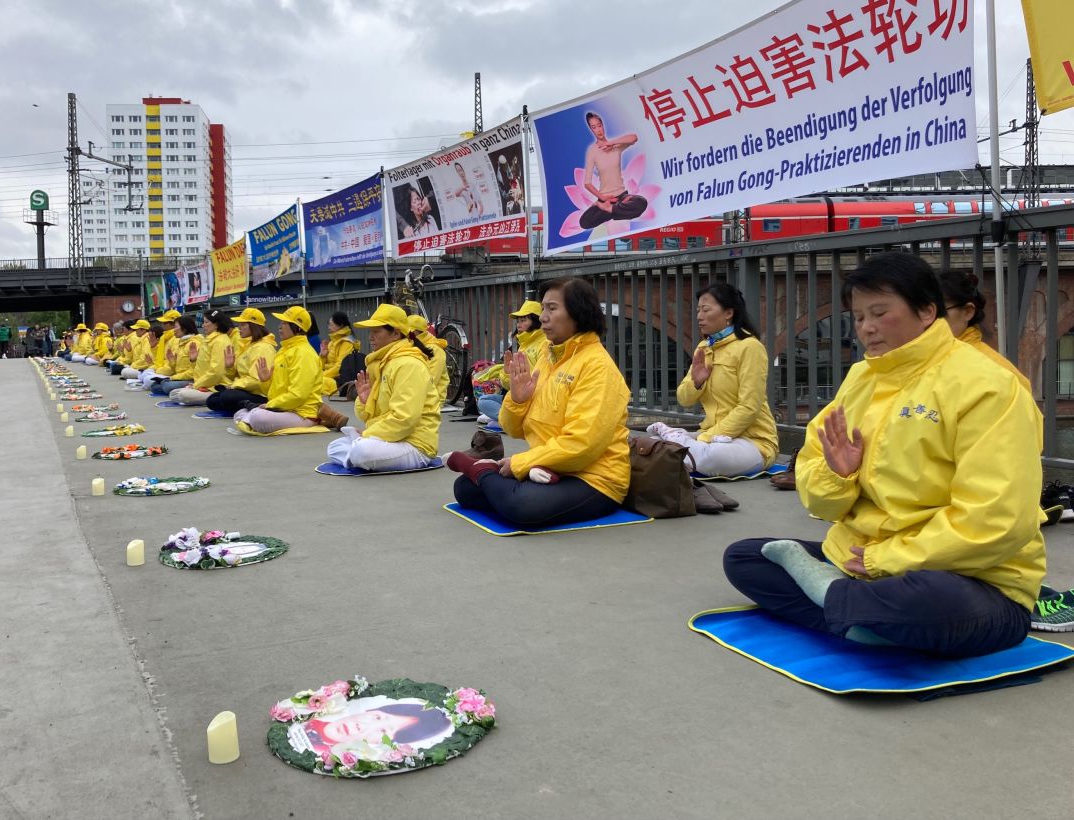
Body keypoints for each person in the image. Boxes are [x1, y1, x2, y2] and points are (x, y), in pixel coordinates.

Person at [722, 252, 1046, 657]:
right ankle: (858, 617)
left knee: (926, 599)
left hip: (969, 578)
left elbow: (997, 518)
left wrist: (885, 559)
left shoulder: (988, 386)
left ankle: (840, 604)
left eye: (879, 312)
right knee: (745, 557)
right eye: (858, 317)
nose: (866, 328)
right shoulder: (862, 378)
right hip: (859, 563)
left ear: (927, 311)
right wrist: (838, 477)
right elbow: (816, 494)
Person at [445, 277, 631, 528]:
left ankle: (482, 470)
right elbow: (513, 429)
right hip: (549, 468)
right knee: (464, 489)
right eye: (543, 308)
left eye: (552, 308)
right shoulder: (547, 357)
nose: (543, 316)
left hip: (594, 478)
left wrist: (519, 464)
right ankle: (488, 474)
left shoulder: (598, 367)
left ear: (578, 313)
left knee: (523, 505)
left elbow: (582, 444)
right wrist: (518, 400)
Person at [646, 283, 778, 478]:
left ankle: (680, 445)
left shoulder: (750, 347)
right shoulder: (704, 347)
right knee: (652, 441)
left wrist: (707, 438)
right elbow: (684, 399)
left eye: (706, 310)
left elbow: (750, 406)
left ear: (728, 313)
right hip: (709, 436)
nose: (699, 316)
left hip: (752, 441)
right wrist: (696, 382)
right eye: (698, 310)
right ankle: (682, 445)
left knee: (715, 457)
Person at [326, 304, 440, 470]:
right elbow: (367, 416)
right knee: (334, 447)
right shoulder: (382, 363)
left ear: (395, 333)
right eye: (370, 332)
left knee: (361, 451)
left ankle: (357, 456)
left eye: (376, 332)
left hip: (414, 445)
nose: (371, 337)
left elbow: (405, 419)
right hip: (390, 439)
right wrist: (364, 401)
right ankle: (356, 457)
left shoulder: (408, 364)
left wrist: (367, 434)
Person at [234, 306, 325, 434]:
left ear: (298, 328)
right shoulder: (283, 351)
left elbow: (298, 395)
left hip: (301, 413)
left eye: (285, 323)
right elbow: (273, 392)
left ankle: (313, 422)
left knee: (257, 417)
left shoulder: (304, 353)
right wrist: (265, 381)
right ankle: (252, 418)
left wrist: (270, 405)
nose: (280, 326)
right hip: (283, 409)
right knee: (240, 413)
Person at [476, 300, 548, 424]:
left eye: (523, 320)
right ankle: (508, 420)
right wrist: (507, 373)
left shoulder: (544, 343)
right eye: (518, 321)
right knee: (483, 401)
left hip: (533, 398)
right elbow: (508, 386)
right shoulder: (523, 344)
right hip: (518, 396)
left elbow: (542, 379)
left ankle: (509, 421)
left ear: (536, 321)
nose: (519, 325)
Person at [296, 701, 452, 757]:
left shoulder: (324, 753)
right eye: (378, 717)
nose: (362, 725)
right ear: (372, 710)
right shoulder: (320, 709)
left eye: (383, 731)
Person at [579, 112, 647, 230]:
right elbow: (587, 183)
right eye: (594, 127)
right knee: (584, 222)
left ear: (603, 125)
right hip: (604, 199)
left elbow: (634, 138)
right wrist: (602, 198)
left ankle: (610, 211)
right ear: (591, 129)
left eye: (599, 125)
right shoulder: (592, 151)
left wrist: (611, 143)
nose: (598, 130)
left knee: (641, 202)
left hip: (622, 197)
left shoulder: (616, 147)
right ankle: (616, 211)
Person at [205, 308, 280, 415]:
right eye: (239, 325)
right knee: (212, 400)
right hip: (246, 390)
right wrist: (230, 366)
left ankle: (258, 406)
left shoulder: (263, 348)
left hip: (261, 394)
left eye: (243, 325)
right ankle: (246, 407)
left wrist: (234, 385)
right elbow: (233, 375)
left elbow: (257, 381)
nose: (239, 328)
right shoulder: (247, 346)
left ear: (254, 326)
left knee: (227, 397)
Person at [171, 310, 233, 404]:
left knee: (181, 395)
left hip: (213, 386)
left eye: (206, 322)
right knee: (174, 393)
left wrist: (197, 385)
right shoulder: (209, 339)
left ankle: (215, 397)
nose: (203, 325)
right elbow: (200, 368)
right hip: (202, 384)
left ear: (216, 325)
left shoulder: (220, 342)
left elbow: (216, 372)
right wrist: (193, 360)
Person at [406, 315, 449, 405]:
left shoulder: (435, 349)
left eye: (409, 332)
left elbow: (432, 379)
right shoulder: (412, 344)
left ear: (417, 332)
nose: (406, 334)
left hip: (432, 400)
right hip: (416, 396)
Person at [155, 316, 200, 394]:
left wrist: (172, 378)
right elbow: (177, 369)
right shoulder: (181, 343)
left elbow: (193, 372)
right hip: (179, 377)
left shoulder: (194, 344)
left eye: (175, 327)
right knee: (154, 386)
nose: (173, 330)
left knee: (167, 386)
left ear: (184, 329)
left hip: (191, 379)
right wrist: (172, 362)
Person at [136, 311, 181, 389]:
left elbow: (172, 363)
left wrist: (157, 369)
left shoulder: (176, 339)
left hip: (168, 371)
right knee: (142, 376)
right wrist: (154, 347)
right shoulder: (165, 337)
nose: (162, 325)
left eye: (164, 323)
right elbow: (160, 358)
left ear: (174, 324)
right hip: (161, 368)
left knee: (147, 379)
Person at [320, 311, 360, 397]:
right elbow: (322, 366)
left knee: (314, 382)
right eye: (328, 324)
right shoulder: (332, 342)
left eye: (331, 324)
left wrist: (321, 375)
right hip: (330, 377)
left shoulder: (347, 343)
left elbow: (340, 367)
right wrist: (322, 356)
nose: (329, 327)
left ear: (340, 325)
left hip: (340, 380)